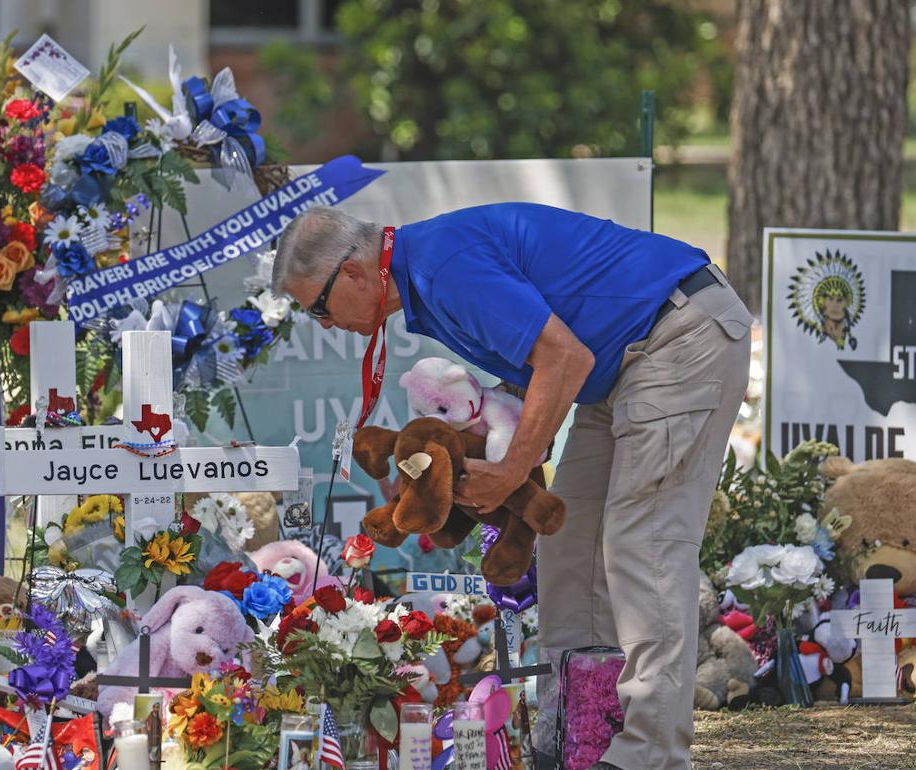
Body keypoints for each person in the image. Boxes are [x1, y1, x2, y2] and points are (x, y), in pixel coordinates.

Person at [271, 203, 751, 770]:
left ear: (352, 272)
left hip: (677, 337)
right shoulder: (425, 274)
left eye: (319, 308)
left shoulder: (441, 268)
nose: (325, 324)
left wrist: (511, 469)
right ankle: (577, 732)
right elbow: (540, 362)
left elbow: (563, 358)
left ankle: (651, 752)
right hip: (619, 362)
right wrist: (481, 450)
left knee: (642, 545)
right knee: (569, 544)